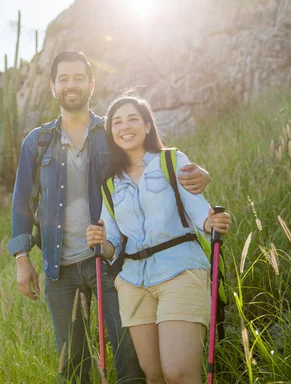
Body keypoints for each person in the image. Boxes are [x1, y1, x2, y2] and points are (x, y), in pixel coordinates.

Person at [8, 51, 211, 383]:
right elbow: (21, 203)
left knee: (130, 361)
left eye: (77, 78)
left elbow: (152, 162)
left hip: (113, 262)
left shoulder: (112, 130)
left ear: (91, 84)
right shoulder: (38, 142)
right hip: (59, 268)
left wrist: (198, 172)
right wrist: (21, 257)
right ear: (52, 86)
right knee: (72, 364)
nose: (70, 85)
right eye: (63, 78)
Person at [85, 95, 232, 384]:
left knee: (178, 372)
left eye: (133, 119)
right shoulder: (109, 183)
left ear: (148, 125)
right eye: (117, 122)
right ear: (110, 133)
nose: (124, 127)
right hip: (133, 284)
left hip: (180, 270)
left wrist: (211, 220)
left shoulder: (172, 160)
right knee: (154, 376)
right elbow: (112, 240)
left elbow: (199, 210)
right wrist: (100, 242)